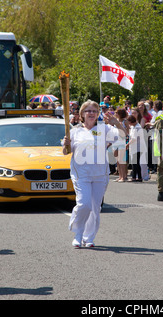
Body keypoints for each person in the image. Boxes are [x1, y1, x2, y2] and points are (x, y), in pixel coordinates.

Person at [62, 100, 126, 248]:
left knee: (95, 207)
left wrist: (116, 122)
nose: (91, 113)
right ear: (82, 114)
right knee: (84, 204)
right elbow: (66, 152)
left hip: (100, 175)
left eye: (94, 111)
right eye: (88, 111)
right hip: (81, 174)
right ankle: (77, 234)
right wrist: (66, 144)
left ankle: (88, 237)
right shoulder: (74, 131)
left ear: (98, 114)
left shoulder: (105, 129)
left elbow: (123, 135)